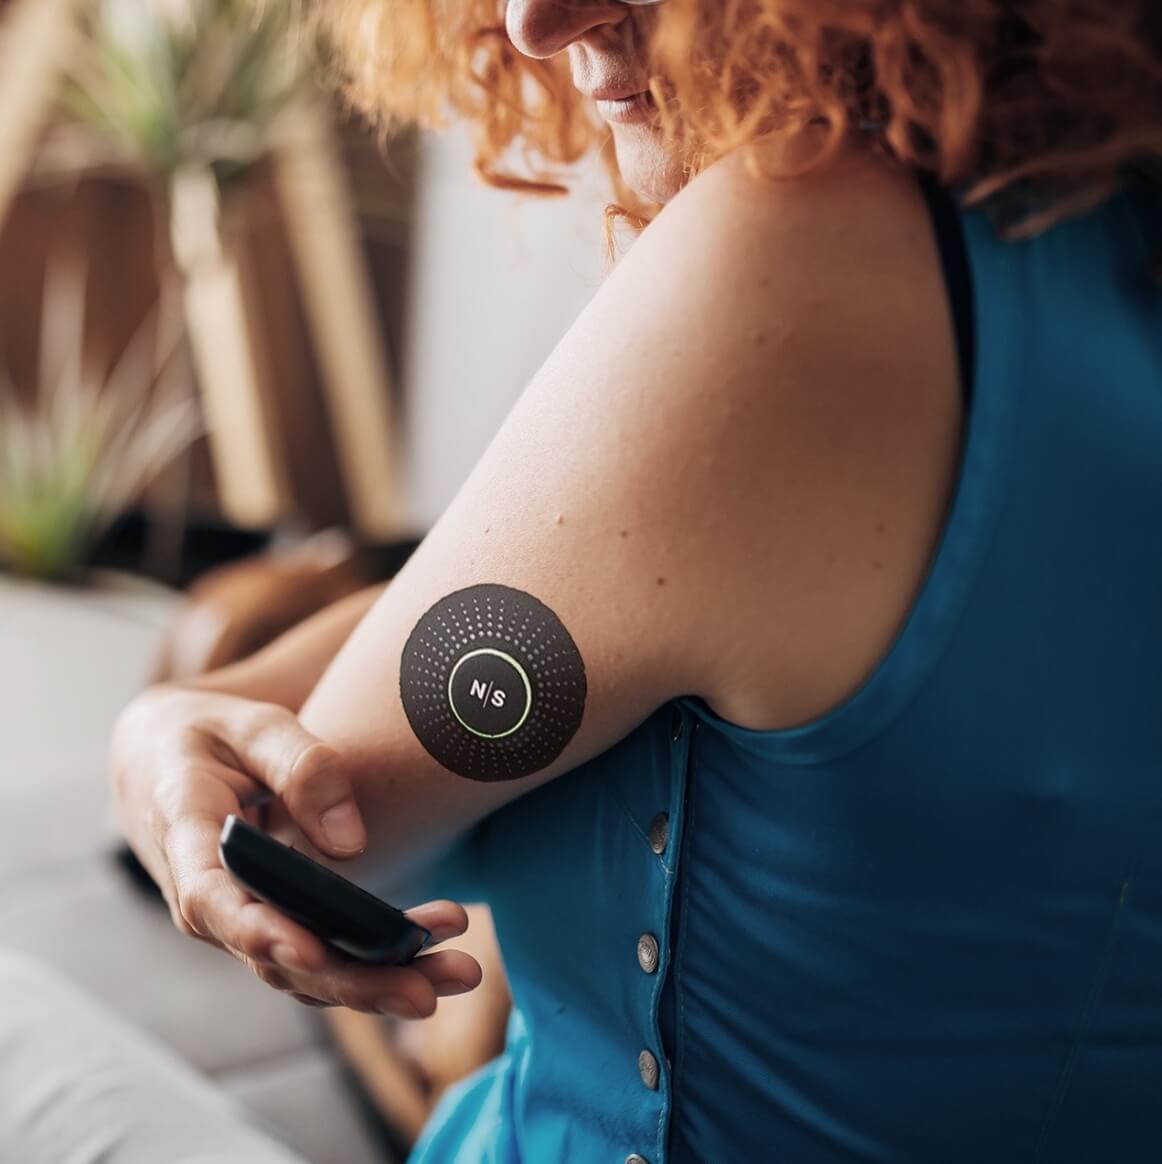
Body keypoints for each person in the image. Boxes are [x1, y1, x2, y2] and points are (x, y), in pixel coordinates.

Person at [112, 1, 1162, 1161]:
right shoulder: (1094, 240)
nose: (532, 23)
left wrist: (148, 732)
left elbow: (308, 830)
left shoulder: (801, 244)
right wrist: (174, 718)